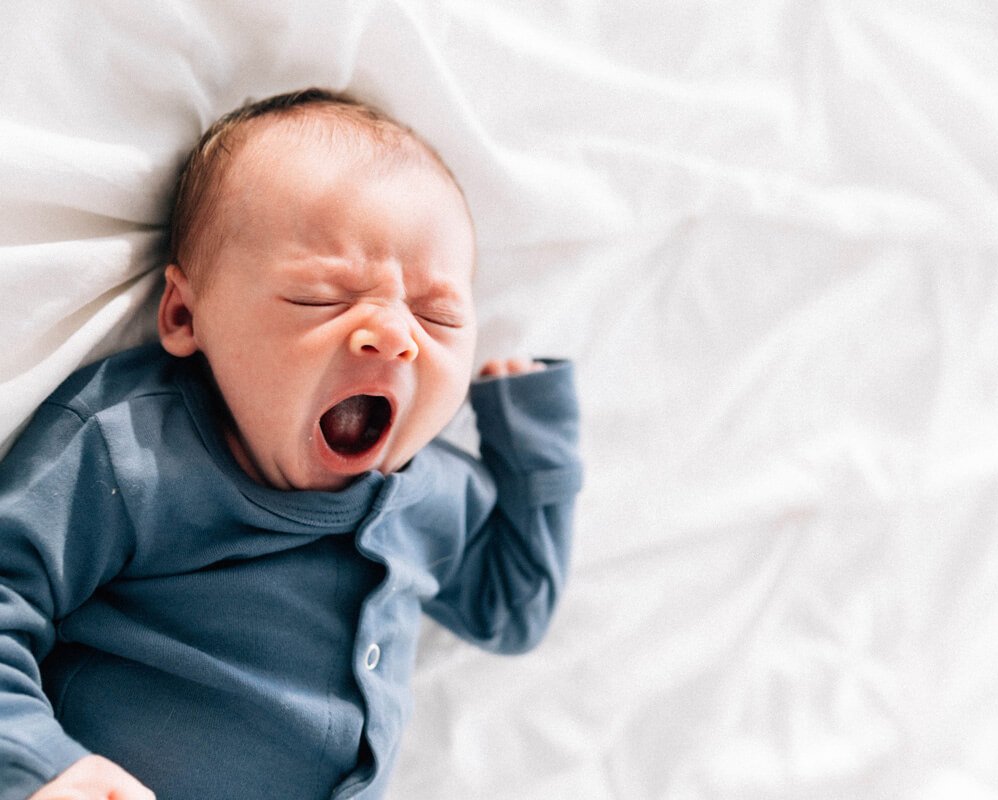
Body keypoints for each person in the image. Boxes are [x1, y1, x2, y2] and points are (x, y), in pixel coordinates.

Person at [0, 88, 581, 800]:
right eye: (322, 298)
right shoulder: (135, 450)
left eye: (438, 315)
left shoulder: (436, 493)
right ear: (185, 313)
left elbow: (512, 608)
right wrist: (40, 764)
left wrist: (533, 441)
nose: (395, 336)